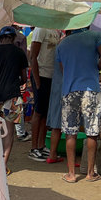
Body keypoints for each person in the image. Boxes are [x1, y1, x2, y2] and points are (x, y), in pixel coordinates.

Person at [56, 27, 101, 183]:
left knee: (70, 132)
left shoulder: (62, 43)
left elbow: (63, 70)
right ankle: (90, 173)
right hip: (90, 90)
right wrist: (94, 68)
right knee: (92, 132)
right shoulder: (96, 36)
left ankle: (71, 174)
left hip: (69, 91)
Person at [0, 26, 29, 175]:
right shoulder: (19, 53)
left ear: (1, 38)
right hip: (13, 97)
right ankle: (3, 164)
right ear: (13, 38)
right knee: (9, 132)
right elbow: (24, 78)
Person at [29, 28, 60, 162]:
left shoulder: (56, 30)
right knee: (38, 111)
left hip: (51, 76)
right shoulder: (40, 29)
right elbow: (32, 56)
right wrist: (37, 80)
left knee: (45, 113)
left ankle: (41, 146)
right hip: (41, 75)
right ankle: (34, 148)